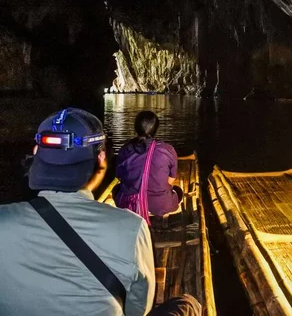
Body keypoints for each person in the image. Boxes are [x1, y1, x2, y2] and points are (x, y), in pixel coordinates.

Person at [0, 108, 201, 315]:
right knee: (187, 304)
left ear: (36, 153)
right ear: (101, 159)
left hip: (127, 198)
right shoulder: (131, 227)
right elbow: (138, 309)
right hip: (156, 207)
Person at [114, 111, 182, 223]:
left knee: (116, 189)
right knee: (178, 191)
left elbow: (120, 177)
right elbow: (171, 181)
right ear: (155, 129)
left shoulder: (125, 149)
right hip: (160, 206)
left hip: (128, 204)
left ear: (136, 128)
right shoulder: (167, 150)